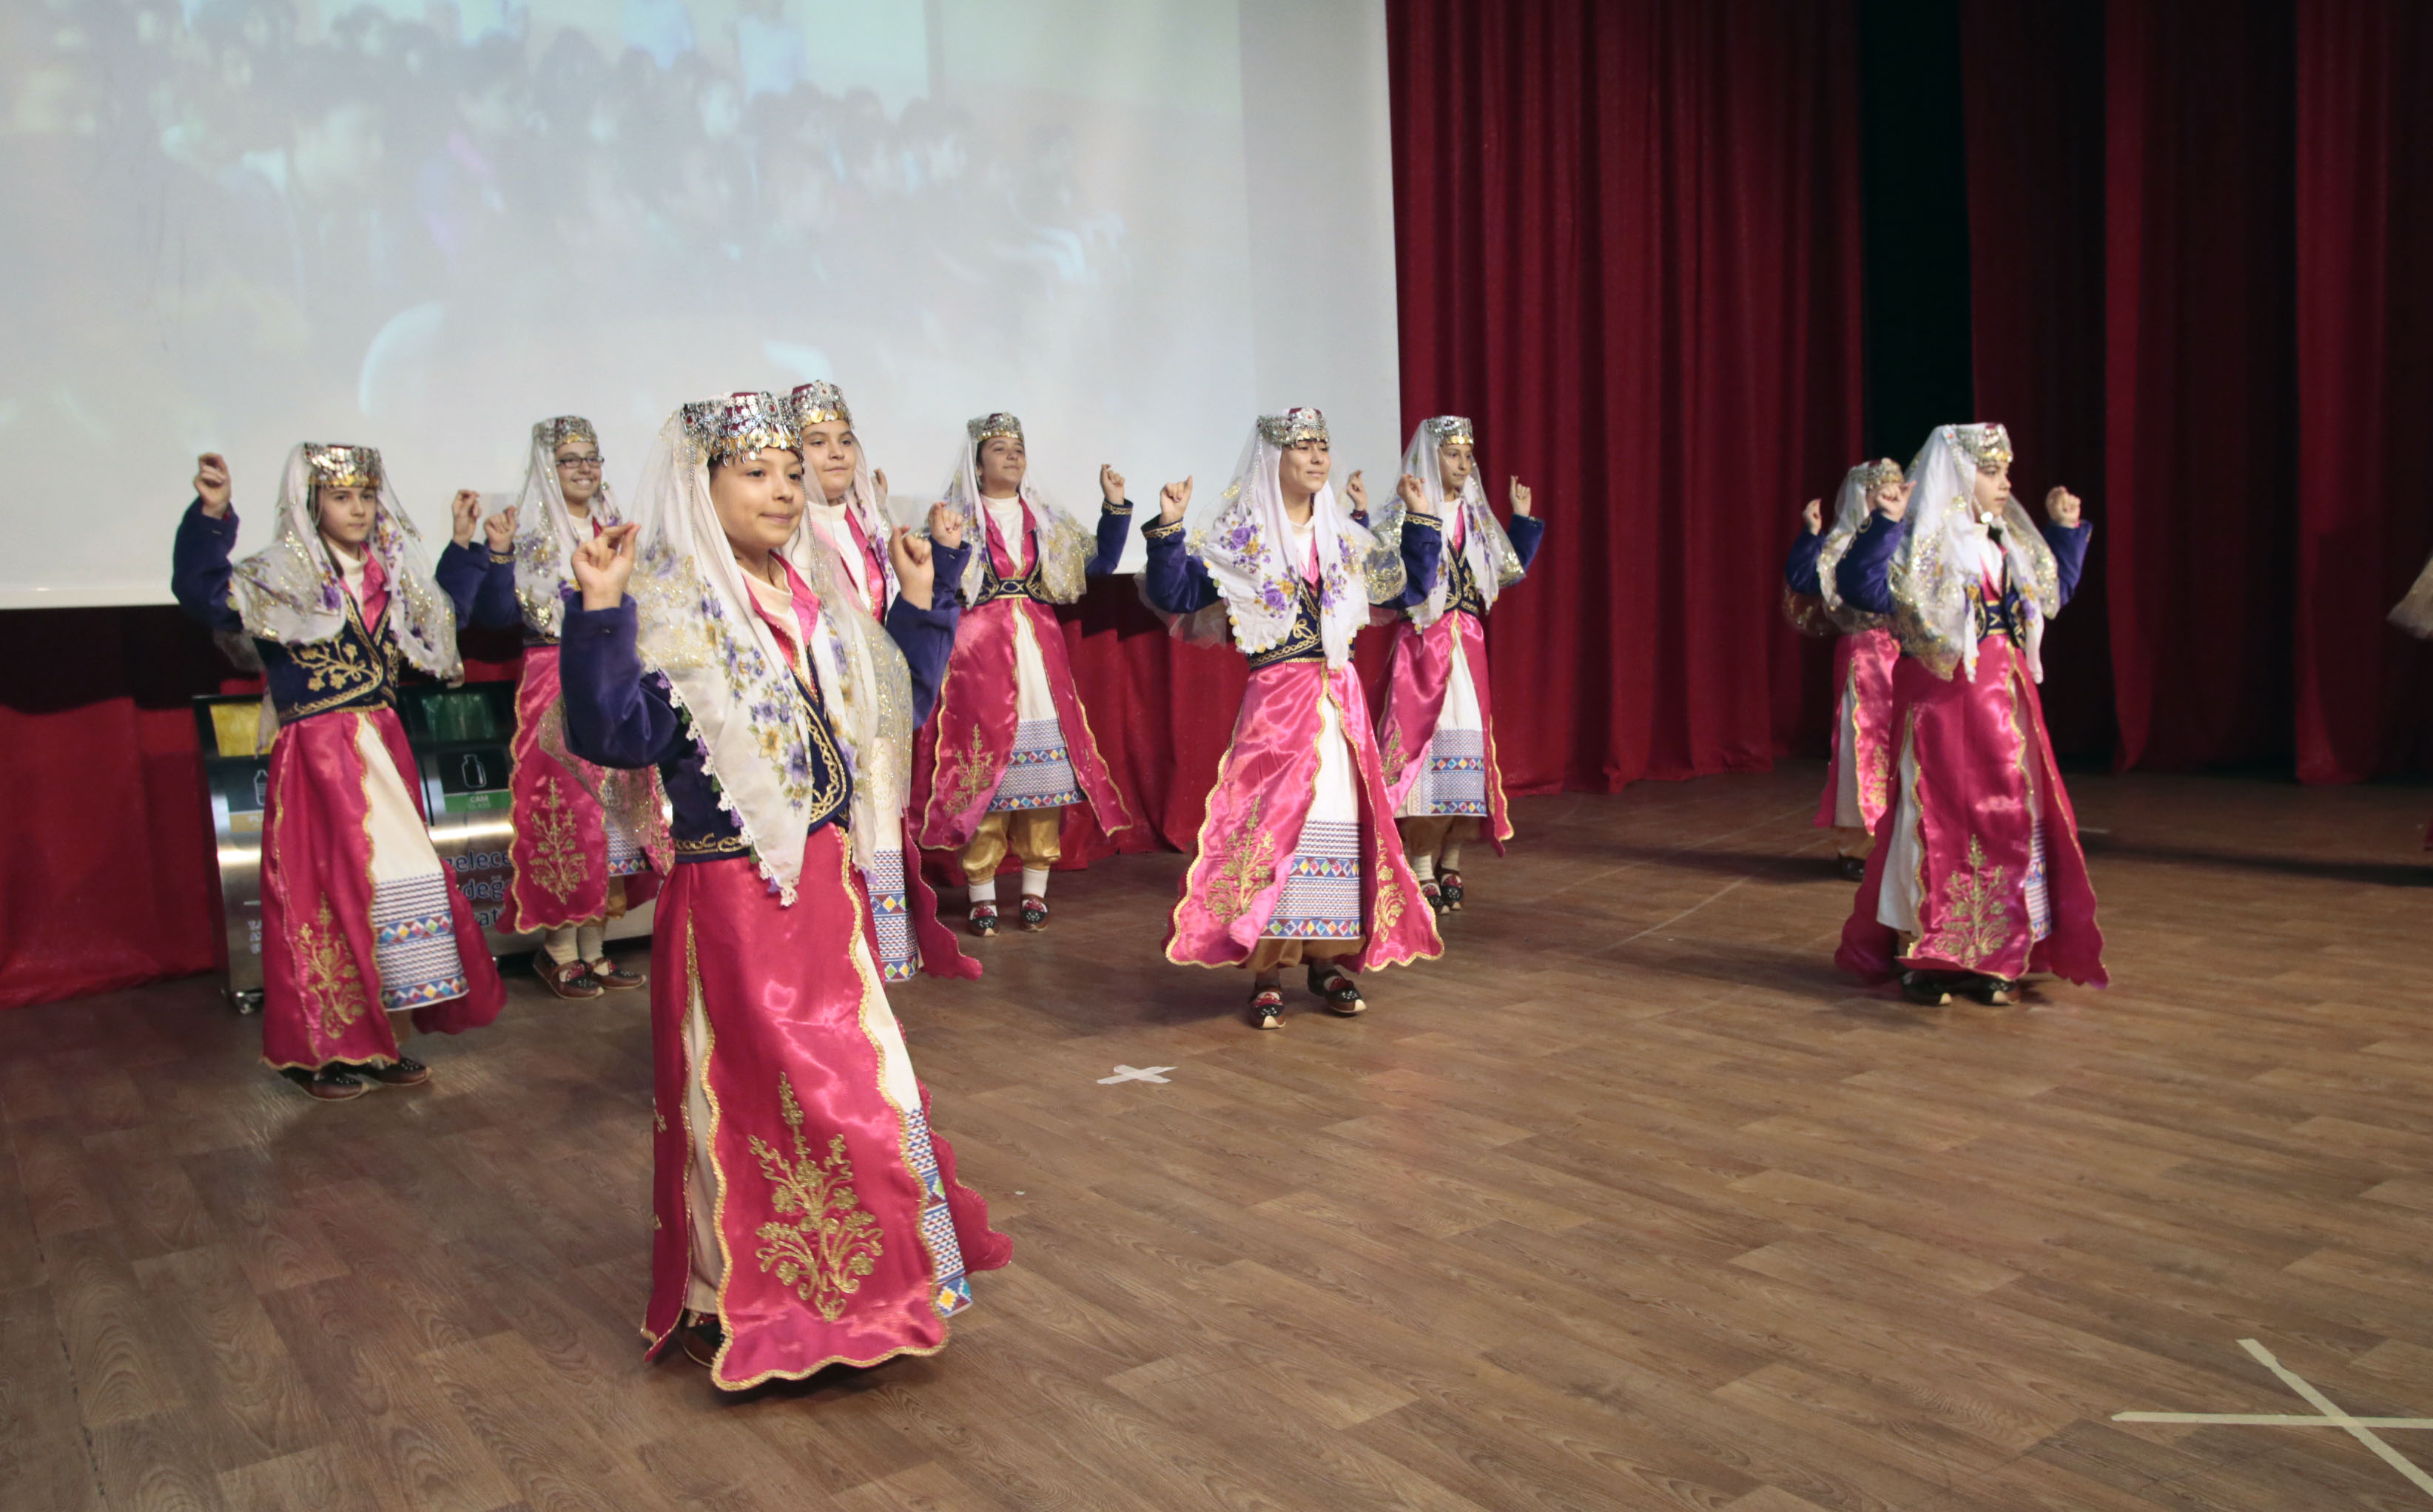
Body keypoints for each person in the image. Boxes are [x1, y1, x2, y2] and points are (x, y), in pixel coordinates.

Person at [557, 390, 1008, 1389]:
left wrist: (924, 606)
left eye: (790, 473)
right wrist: (596, 615)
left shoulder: (815, 603)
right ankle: (730, 1298)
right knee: (743, 1097)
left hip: (825, 896)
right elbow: (612, 736)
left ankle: (874, 1285)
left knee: (857, 1086)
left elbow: (897, 707)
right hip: (732, 900)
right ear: (701, 485)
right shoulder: (672, 616)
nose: (782, 491)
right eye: (754, 473)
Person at [171, 445, 508, 1100]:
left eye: (366, 496)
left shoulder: (389, 573)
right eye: (340, 497)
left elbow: (447, 617)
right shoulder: (282, 574)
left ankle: (385, 1039)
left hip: (382, 744)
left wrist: (465, 547)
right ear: (312, 504)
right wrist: (211, 515)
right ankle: (319, 1053)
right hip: (320, 751)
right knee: (326, 893)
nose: (357, 509)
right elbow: (205, 597)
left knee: (400, 885)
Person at [1144, 408, 1442, 1030]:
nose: (1315, 457)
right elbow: (1178, 597)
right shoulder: (1240, 540)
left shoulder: (1347, 539)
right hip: (1277, 707)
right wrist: (1169, 530)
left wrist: (1419, 521)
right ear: (1272, 459)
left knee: (1339, 823)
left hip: (1341, 706)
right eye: (1301, 446)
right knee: (1273, 828)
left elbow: (1409, 588)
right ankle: (1268, 969)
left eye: (1322, 446)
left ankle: (1328, 961)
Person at [1832, 423, 2102, 1005]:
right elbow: (1861, 587)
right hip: (1942, 711)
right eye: (1994, 472)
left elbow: (2051, 594)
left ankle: (1994, 954)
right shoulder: (1922, 548)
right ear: (1960, 475)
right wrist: (1885, 524)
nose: (2006, 484)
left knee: (2006, 822)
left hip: (2002, 713)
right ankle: (1929, 952)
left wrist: (2062, 531)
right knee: (1929, 826)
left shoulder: (2001, 545)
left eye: (2007, 472)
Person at [471, 416, 673, 999]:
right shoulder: (527, 537)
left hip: (613, 673)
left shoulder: (618, 531)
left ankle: (597, 951)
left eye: (593, 458)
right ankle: (559, 950)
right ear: (546, 469)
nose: (585, 468)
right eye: (570, 459)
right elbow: (492, 619)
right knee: (565, 814)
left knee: (610, 817)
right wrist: (499, 556)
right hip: (552, 676)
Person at [784, 379, 978, 982]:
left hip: (875, 710)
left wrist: (940, 565)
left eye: (845, 440)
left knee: (879, 826)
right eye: (817, 442)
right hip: (820, 710)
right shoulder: (784, 533)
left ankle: (882, 954)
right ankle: (837, 962)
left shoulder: (868, 526)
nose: (836, 453)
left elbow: (899, 622)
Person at [915, 412, 1136, 936]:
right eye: (999, 449)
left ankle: (1035, 890)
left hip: (1038, 653)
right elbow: (939, 587)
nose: (1012, 457)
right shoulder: (954, 518)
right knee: (985, 774)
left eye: (1018, 449)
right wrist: (944, 548)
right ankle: (982, 893)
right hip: (980, 658)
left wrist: (1115, 507)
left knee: (1045, 783)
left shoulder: (1044, 518)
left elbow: (1097, 565)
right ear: (977, 462)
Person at [1368, 416, 1546, 913]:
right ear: (1430, 457)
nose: (1464, 464)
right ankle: (1420, 862)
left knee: (1467, 751)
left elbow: (1506, 570)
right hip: (1424, 648)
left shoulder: (1474, 515)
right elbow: (1383, 579)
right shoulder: (1402, 514)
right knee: (1427, 749)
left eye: (1469, 456)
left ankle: (1451, 857)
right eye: (1453, 454)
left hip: (1467, 645)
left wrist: (1523, 522)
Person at [1783, 459, 1911, 879]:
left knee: (1904, 746)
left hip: (1905, 655)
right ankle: (1858, 845)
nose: (1891, 498)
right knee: (1862, 747)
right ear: (1863, 496)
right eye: (1880, 491)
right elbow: (1805, 580)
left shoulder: (1904, 542)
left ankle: (1902, 838)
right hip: (1864, 655)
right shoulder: (1843, 546)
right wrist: (1812, 534)